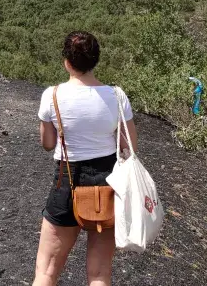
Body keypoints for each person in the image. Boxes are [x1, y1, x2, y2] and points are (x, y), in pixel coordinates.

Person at [33, 31, 137, 286]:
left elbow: (47, 144)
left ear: (66, 62)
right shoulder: (117, 95)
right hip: (108, 182)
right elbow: (130, 145)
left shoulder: (52, 95)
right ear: (95, 60)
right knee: (100, 275)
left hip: (67, 181)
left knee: (46, 272)